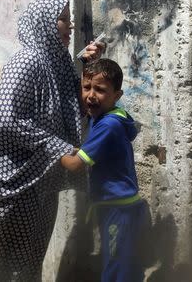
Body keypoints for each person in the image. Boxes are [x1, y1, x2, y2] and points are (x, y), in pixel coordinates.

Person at [0, 0, 104, 282]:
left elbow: (73, 104)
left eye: (69, 20)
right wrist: (61, 147)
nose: (69, 26)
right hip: (8, 184)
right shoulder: (26, 61)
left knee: (29, 265)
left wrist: (88, 66)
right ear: (44, 23)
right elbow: (6, 119)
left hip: (41, 183)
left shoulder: (58, 63)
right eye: (64, 20)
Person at [60, 59, 151, 282]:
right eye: (86, 87)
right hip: (121, 206)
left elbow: (74, 165)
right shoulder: (107, 116)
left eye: (100, 90)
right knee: (126, 265)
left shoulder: (107, 126)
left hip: (116, 209)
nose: (91, 95)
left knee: (116, 269)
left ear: (117, 96)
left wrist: (51, 146)